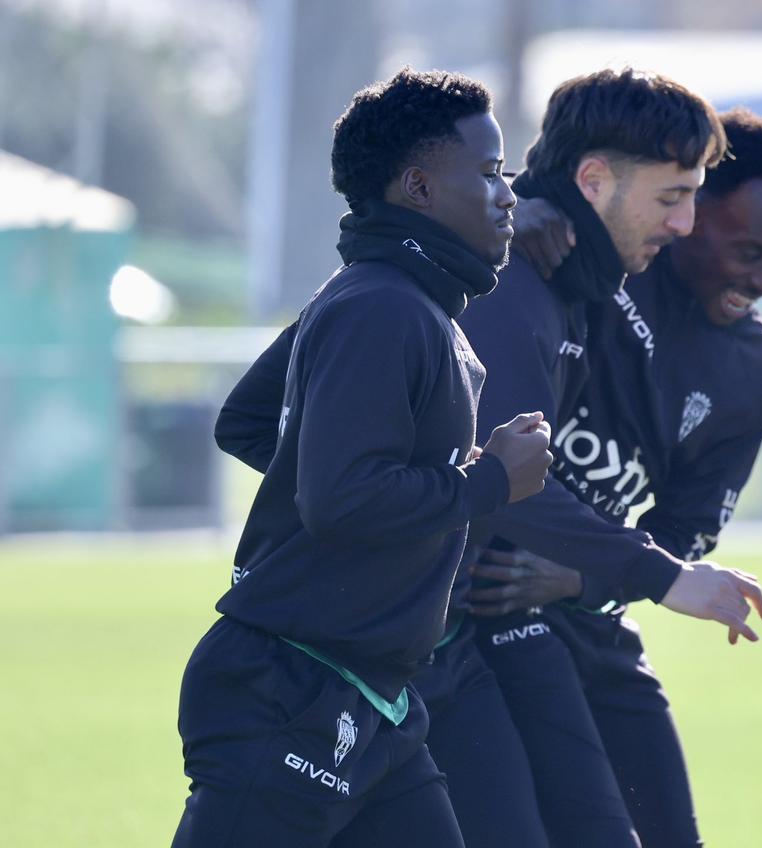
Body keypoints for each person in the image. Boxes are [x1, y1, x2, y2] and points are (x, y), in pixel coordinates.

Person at [174, 68, 553, 848]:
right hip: (288, 687)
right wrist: (484, 481)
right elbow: (341, 498)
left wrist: (416, 479)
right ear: (417, 186)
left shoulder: (385, 294)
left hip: (373, 699)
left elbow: (251, 425)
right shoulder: (382, 306)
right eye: (487, 172)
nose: (508, 194)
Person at [467, 107, 762, 847]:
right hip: (491, 610)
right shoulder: (596, 265)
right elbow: (541, 190)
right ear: (691, 208)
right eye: (751, 251)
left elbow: (685, 530)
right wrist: (523, 207)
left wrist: (577, 578)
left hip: (596, 611)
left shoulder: (757, 370)